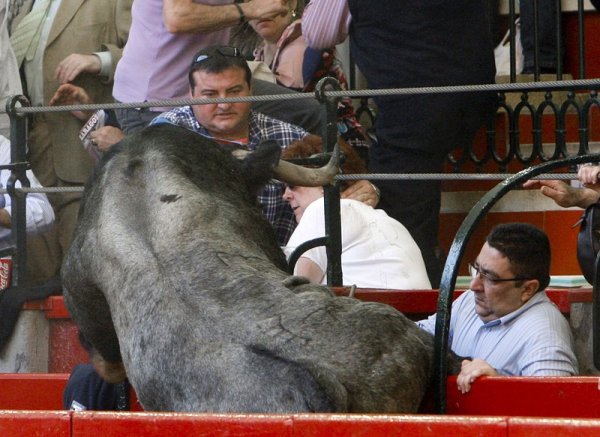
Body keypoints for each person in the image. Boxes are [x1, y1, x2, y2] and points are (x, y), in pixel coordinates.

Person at [302, 0, 497, 288]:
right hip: (473, 92)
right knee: (413, 203)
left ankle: (426, 307)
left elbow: (318, 34)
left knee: (404, 222)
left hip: (413, 105)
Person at [150, 45, 378, 246]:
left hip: (280, 266)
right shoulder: (166, 136)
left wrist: (368, 189)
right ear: (191, 95)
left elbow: (341, 171)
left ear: (251, 90)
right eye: (210, 94)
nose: (223, 104)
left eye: (234, 91)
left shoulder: (285, 135)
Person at [8, 0, 131, 285]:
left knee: (82, 256)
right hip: (29, 134)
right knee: (34, 254)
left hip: (82, 129)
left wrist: (98, 60)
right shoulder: (23, 3)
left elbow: (149, 53)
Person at [113, 0, 323, 136]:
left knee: (313, 114)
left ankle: (326, 200)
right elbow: (177, 17)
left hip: (215, 85)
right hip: (156, 100)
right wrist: (251, 10)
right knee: (178, 192)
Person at [417, 223, 578, 394]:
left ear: (527, 289)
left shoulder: (546, 342)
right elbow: (421, 337)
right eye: (476, 269)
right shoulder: (469, 302)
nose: (474, 285)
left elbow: (552, 410)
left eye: (490, 278)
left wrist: (497, 384)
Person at [282, 136, 431, 289]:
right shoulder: (392, 223)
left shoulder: (322, 210)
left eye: (293, 184)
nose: (285, 195)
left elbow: (295, 291)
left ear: (326, 181)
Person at [245, 0, 370, 156]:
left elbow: (287, 97)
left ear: (292, 4)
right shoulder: (260, 52)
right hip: (302, 143)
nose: (260, 11)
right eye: (251, 3)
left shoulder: (303, 36)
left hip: (336, 147)